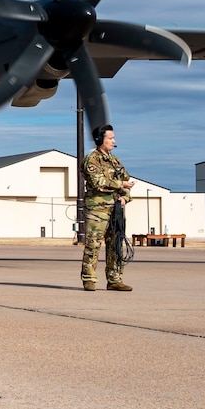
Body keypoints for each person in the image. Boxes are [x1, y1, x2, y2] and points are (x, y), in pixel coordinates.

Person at [81, 123, 132, 291]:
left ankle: (115, 279)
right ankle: (89, 278)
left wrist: (124, 197)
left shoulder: (115, 161)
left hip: (116, 209)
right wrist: (121, 184)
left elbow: (127, 181)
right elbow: (97, 183)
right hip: (98, 209)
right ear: (99, 140)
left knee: (116, 243)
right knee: (93, 243)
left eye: (113, 138)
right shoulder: (92, 159)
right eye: (110, 138)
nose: (113, 141)